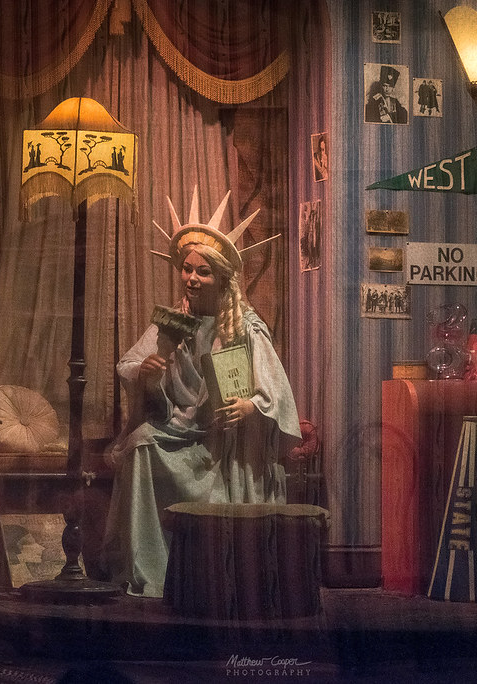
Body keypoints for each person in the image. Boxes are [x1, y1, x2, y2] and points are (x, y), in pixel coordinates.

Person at [100, 188, 302, 598]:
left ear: (222, 278)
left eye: (203, 272)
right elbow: (129, 364)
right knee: (140, 444)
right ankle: (152, 569)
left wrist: (249, 406)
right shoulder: (173, 321)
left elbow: (275, 391)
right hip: (178, 432)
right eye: (187, 269)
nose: (191, 278)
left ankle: (217, 574)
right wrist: (147, 369)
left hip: (223, 438)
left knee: (226, 458)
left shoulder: (244, 326)